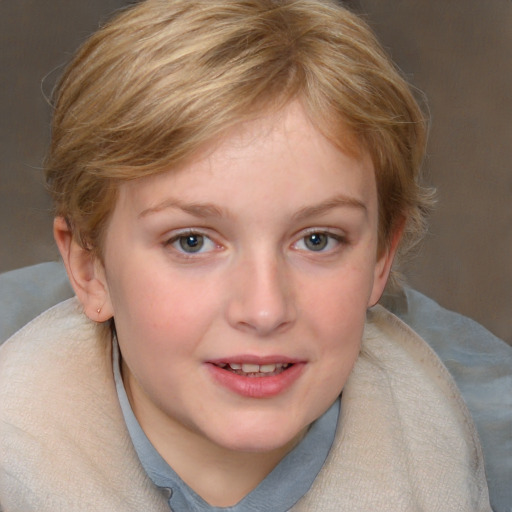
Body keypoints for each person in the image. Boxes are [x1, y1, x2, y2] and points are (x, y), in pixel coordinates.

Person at [0, 0, 496, 510]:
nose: (264, 310)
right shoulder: (16, 458)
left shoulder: (459, 454)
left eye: (317, 240)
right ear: (89, 269)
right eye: (191, 242)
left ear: (380, 259)